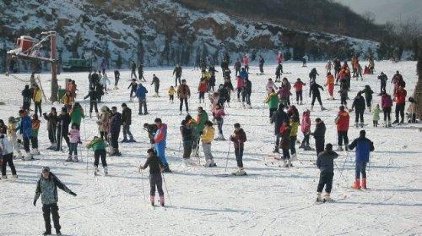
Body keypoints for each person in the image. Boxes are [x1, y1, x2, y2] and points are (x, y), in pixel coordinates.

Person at [33, 166, 77, 235]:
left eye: (46, 172)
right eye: (44, 172)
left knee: (55, 217)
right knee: (46, 217)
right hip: (45, 202)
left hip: (53, 201)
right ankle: (48, 231)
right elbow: (37, 191)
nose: (45, 174)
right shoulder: (40, 181)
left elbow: (62, 186)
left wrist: (70, 192)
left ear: (49, 172)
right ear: (42, 173)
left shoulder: (53, 179)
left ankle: (57, 230)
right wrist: (35, 199)